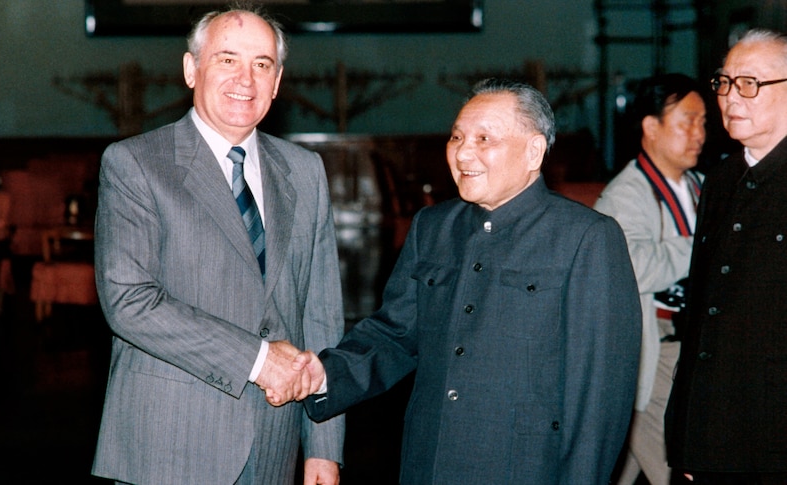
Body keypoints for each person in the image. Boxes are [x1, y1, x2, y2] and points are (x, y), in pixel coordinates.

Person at [298, 78, 642, 484]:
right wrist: (323, 375)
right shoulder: (433, 227)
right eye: (457, 137)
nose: (463, 153)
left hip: (525, 469)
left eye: (484, 139)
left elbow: (598, 398)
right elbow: (394, 336)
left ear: (534, 151)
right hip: (430, 460)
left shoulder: (585, 237)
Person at [91, 7, 344, 485]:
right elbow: (129, 302)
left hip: (275, 446)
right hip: (169, 445)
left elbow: (321, 314)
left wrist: (324, 447)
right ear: (192, 69)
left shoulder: (305, 171)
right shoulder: (135, 164)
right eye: (227, 59)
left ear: (278, 80)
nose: (245, 79)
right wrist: (259, 359)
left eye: (262, 64)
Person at [665, 28, 787, 484]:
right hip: (716, 432)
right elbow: (702, 316)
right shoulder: (719, 179)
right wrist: (688, 431)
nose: (732, 97)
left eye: (751, 84)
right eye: (725, 82)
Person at [593, 73, 706, 485]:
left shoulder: (698, 186)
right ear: (651, 126)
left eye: (703, 122)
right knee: (675, 470)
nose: (699, 134)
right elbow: (633, 267)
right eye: (688, 121)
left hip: (688, 344)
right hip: (653, 348)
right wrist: (702, 245)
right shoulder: (625, 195)